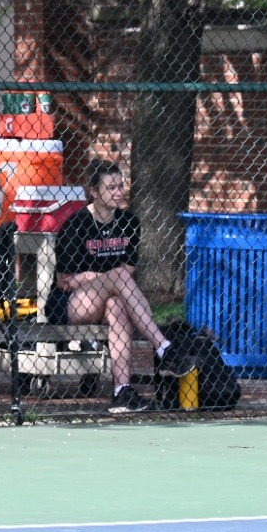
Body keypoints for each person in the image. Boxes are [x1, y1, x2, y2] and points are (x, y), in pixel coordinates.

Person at [46, 161, 179, 412]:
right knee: (116, 279)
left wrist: (89, 276)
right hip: (70, 304)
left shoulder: (129, 223)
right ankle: (163, 346)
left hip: (106, 299)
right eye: (111, 187)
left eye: (121, 185)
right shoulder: (76, 225)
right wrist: (100, 277)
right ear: (94, 191)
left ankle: (122, 391)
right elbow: (66, 281)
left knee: (117, 304)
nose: (119, 192)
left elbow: (125, 275)